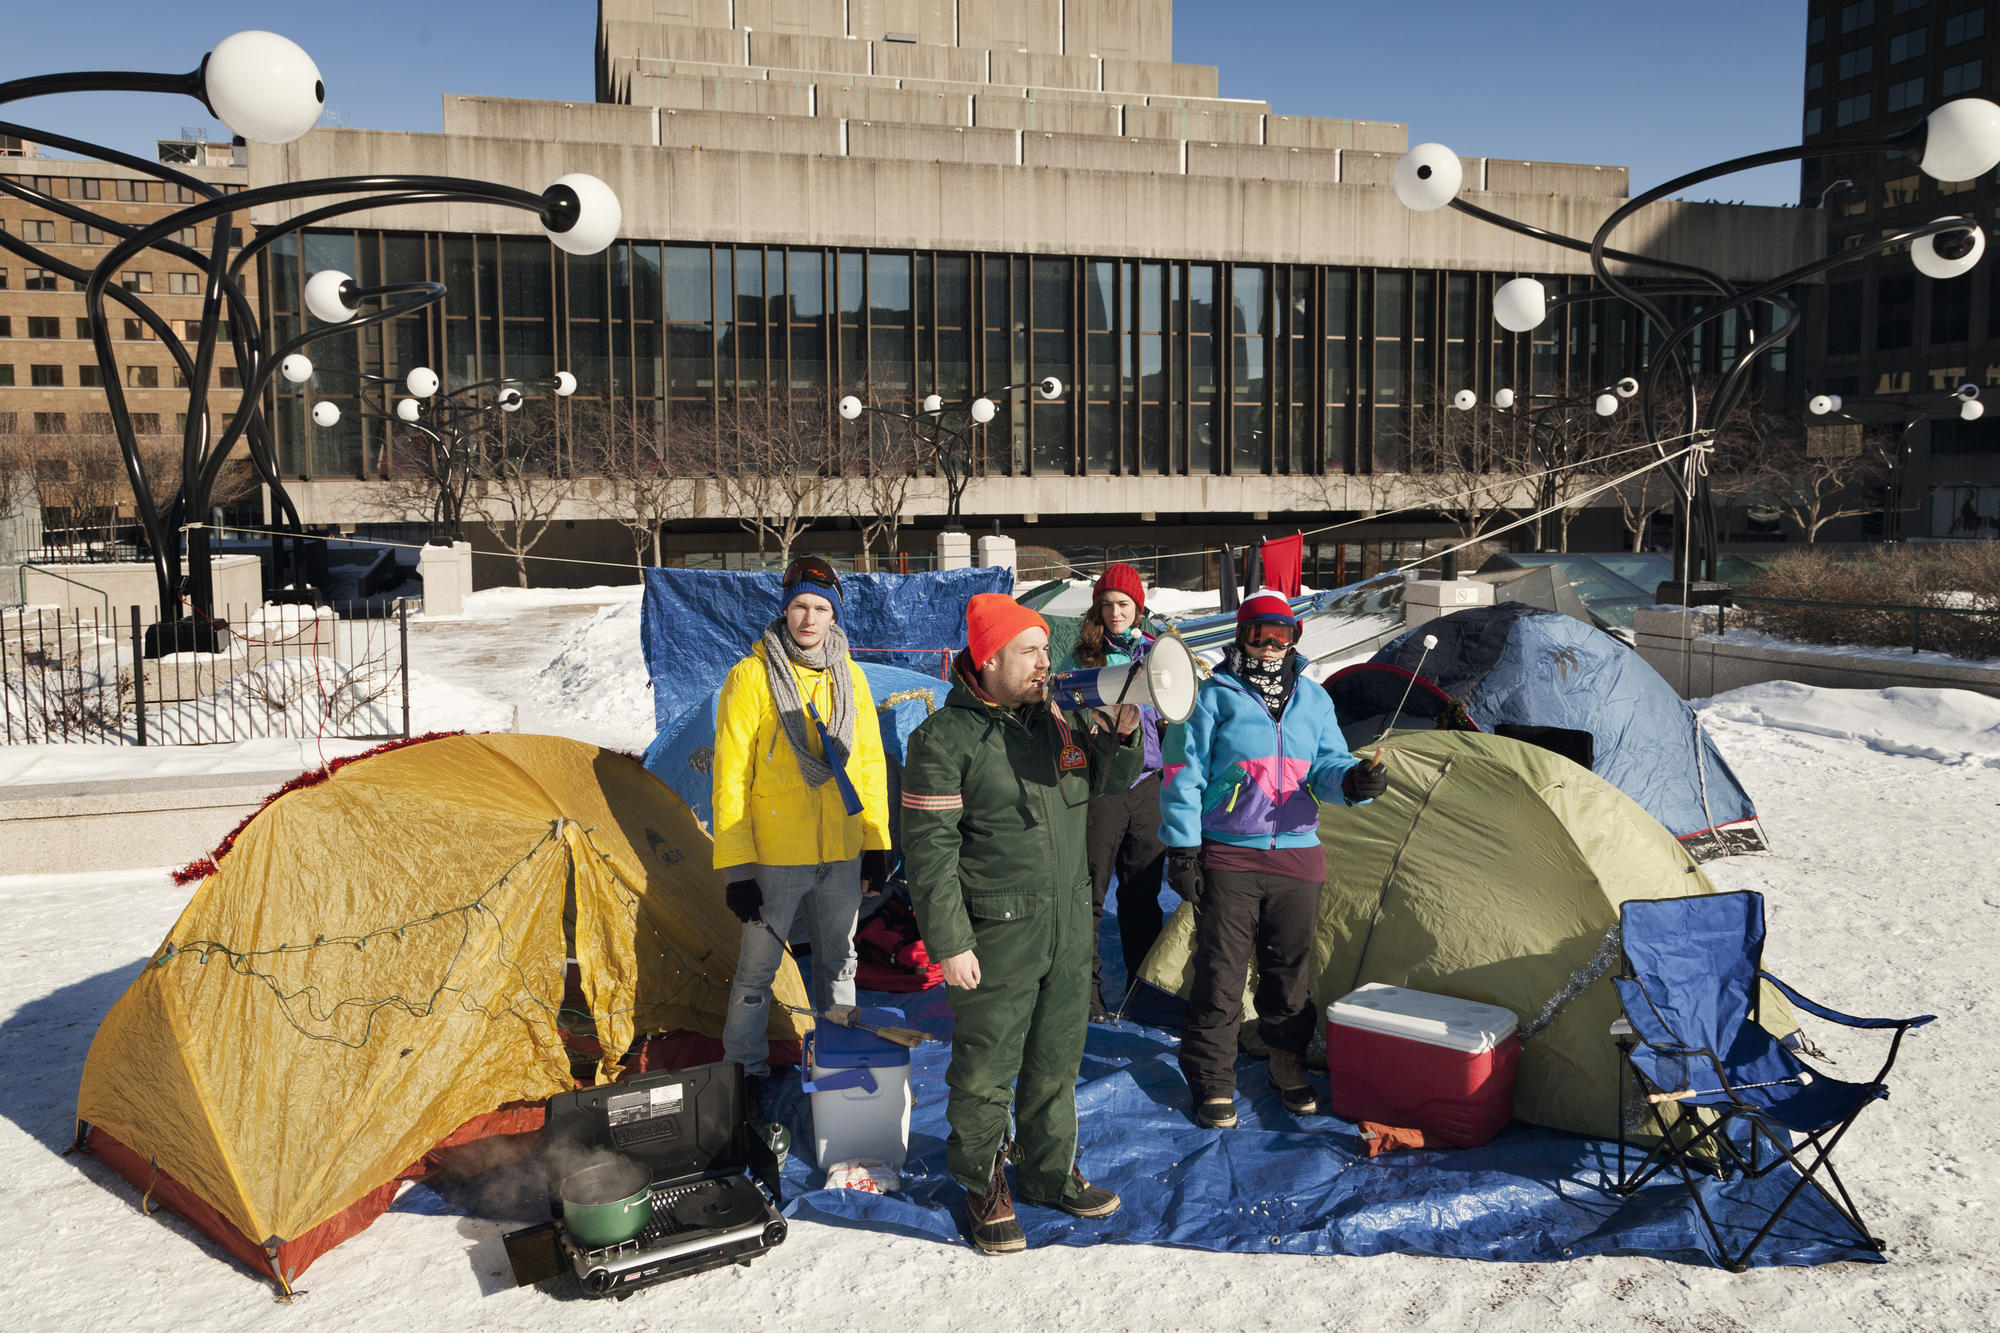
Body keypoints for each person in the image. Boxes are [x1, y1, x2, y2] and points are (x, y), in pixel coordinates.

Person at [901, 592, 1144, 1254]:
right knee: (986, 1067)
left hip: (1067, 925)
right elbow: (929, 854)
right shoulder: (942, 740)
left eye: (1045, 648)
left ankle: (1045, 1171)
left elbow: (1104, 781)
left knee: (1056, 1060)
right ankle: (983, 1181)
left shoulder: (1057, 722)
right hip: (997, 933)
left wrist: (1120, 734)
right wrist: (949, 942)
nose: (1046, 661)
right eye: (1030, 650)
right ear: (990, 658)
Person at [1160, 589, 1388, 1130]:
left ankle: (1286, 1062)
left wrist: (1354, 782)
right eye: (1258, 634)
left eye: (1281, 635)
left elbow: (1327, 765)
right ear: (1240, 637)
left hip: (1297, 855)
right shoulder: (1211, 695)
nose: (1269, 646)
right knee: (1220, 974)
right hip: (1230, 855)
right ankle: (1213, 1080)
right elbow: (1181, 773)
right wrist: (1183, 848)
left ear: (1295, 640)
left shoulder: (1313, 700)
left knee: (1290, 973)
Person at [712, 556, 892, 1099]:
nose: (808, 619)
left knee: (840, 961)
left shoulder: (852, 677)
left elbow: (868, 766)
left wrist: (877, 845)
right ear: (785, 611)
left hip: (838, 850)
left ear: (833, 616)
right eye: (799, 607)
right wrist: (738, 868)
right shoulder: (750, 677)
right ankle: (744, 1071)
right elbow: (730, 776)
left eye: (819, 608)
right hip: (775, 856)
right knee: (756, 973)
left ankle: (839, 1057)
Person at [1056, 563, 1169, 1020]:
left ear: (1138, 609)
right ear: (1097, 610)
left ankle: (1143, 990)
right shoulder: (1082, 657)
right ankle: (1087, 994)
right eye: (1108, 605)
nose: (1115, 613)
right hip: (1101, 788)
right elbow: (1063, 708)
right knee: (1091, 894)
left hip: (1148, 786)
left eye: (1124, 605)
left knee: (1142, 893)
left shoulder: (1158, 653)